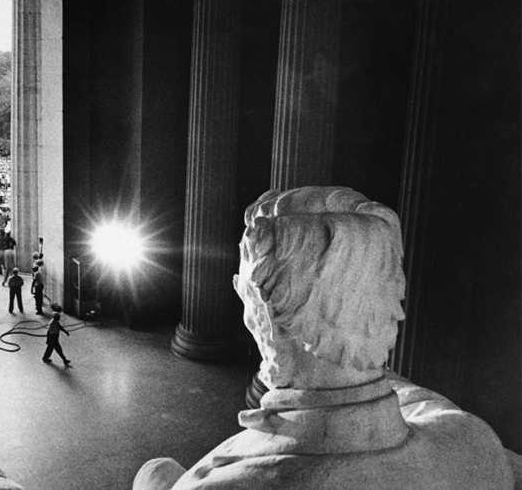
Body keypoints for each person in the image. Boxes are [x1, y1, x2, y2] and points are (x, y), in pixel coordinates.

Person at [134, 187, 517, 490]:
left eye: (244, 294)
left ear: (266, 314)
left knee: (156, 471)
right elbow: (418, 401)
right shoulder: (475, 443)